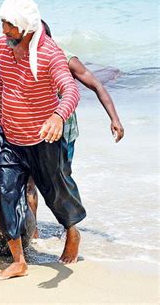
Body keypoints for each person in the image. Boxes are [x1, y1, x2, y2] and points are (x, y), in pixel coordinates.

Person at [0, 0, 86, 280]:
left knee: (55, 193)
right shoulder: (1, 46)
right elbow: (3, 83)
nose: (4, 31)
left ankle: (72, 231)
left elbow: (71, 91)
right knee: (7, 195)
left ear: (26, 27)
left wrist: (58, 116)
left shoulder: (50, 54)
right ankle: (18, 260)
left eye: (9, 25)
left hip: (42, 140)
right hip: (10, 138)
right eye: (2, 23)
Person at [26, 20, 125, 238]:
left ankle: (71, 228)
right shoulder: (23, 58)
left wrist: (114, 119)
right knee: (29, 180)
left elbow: (97, 85)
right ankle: (33, 231)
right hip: (32, 130)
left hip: (63, 135)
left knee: (61, 178)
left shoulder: (66, 59)